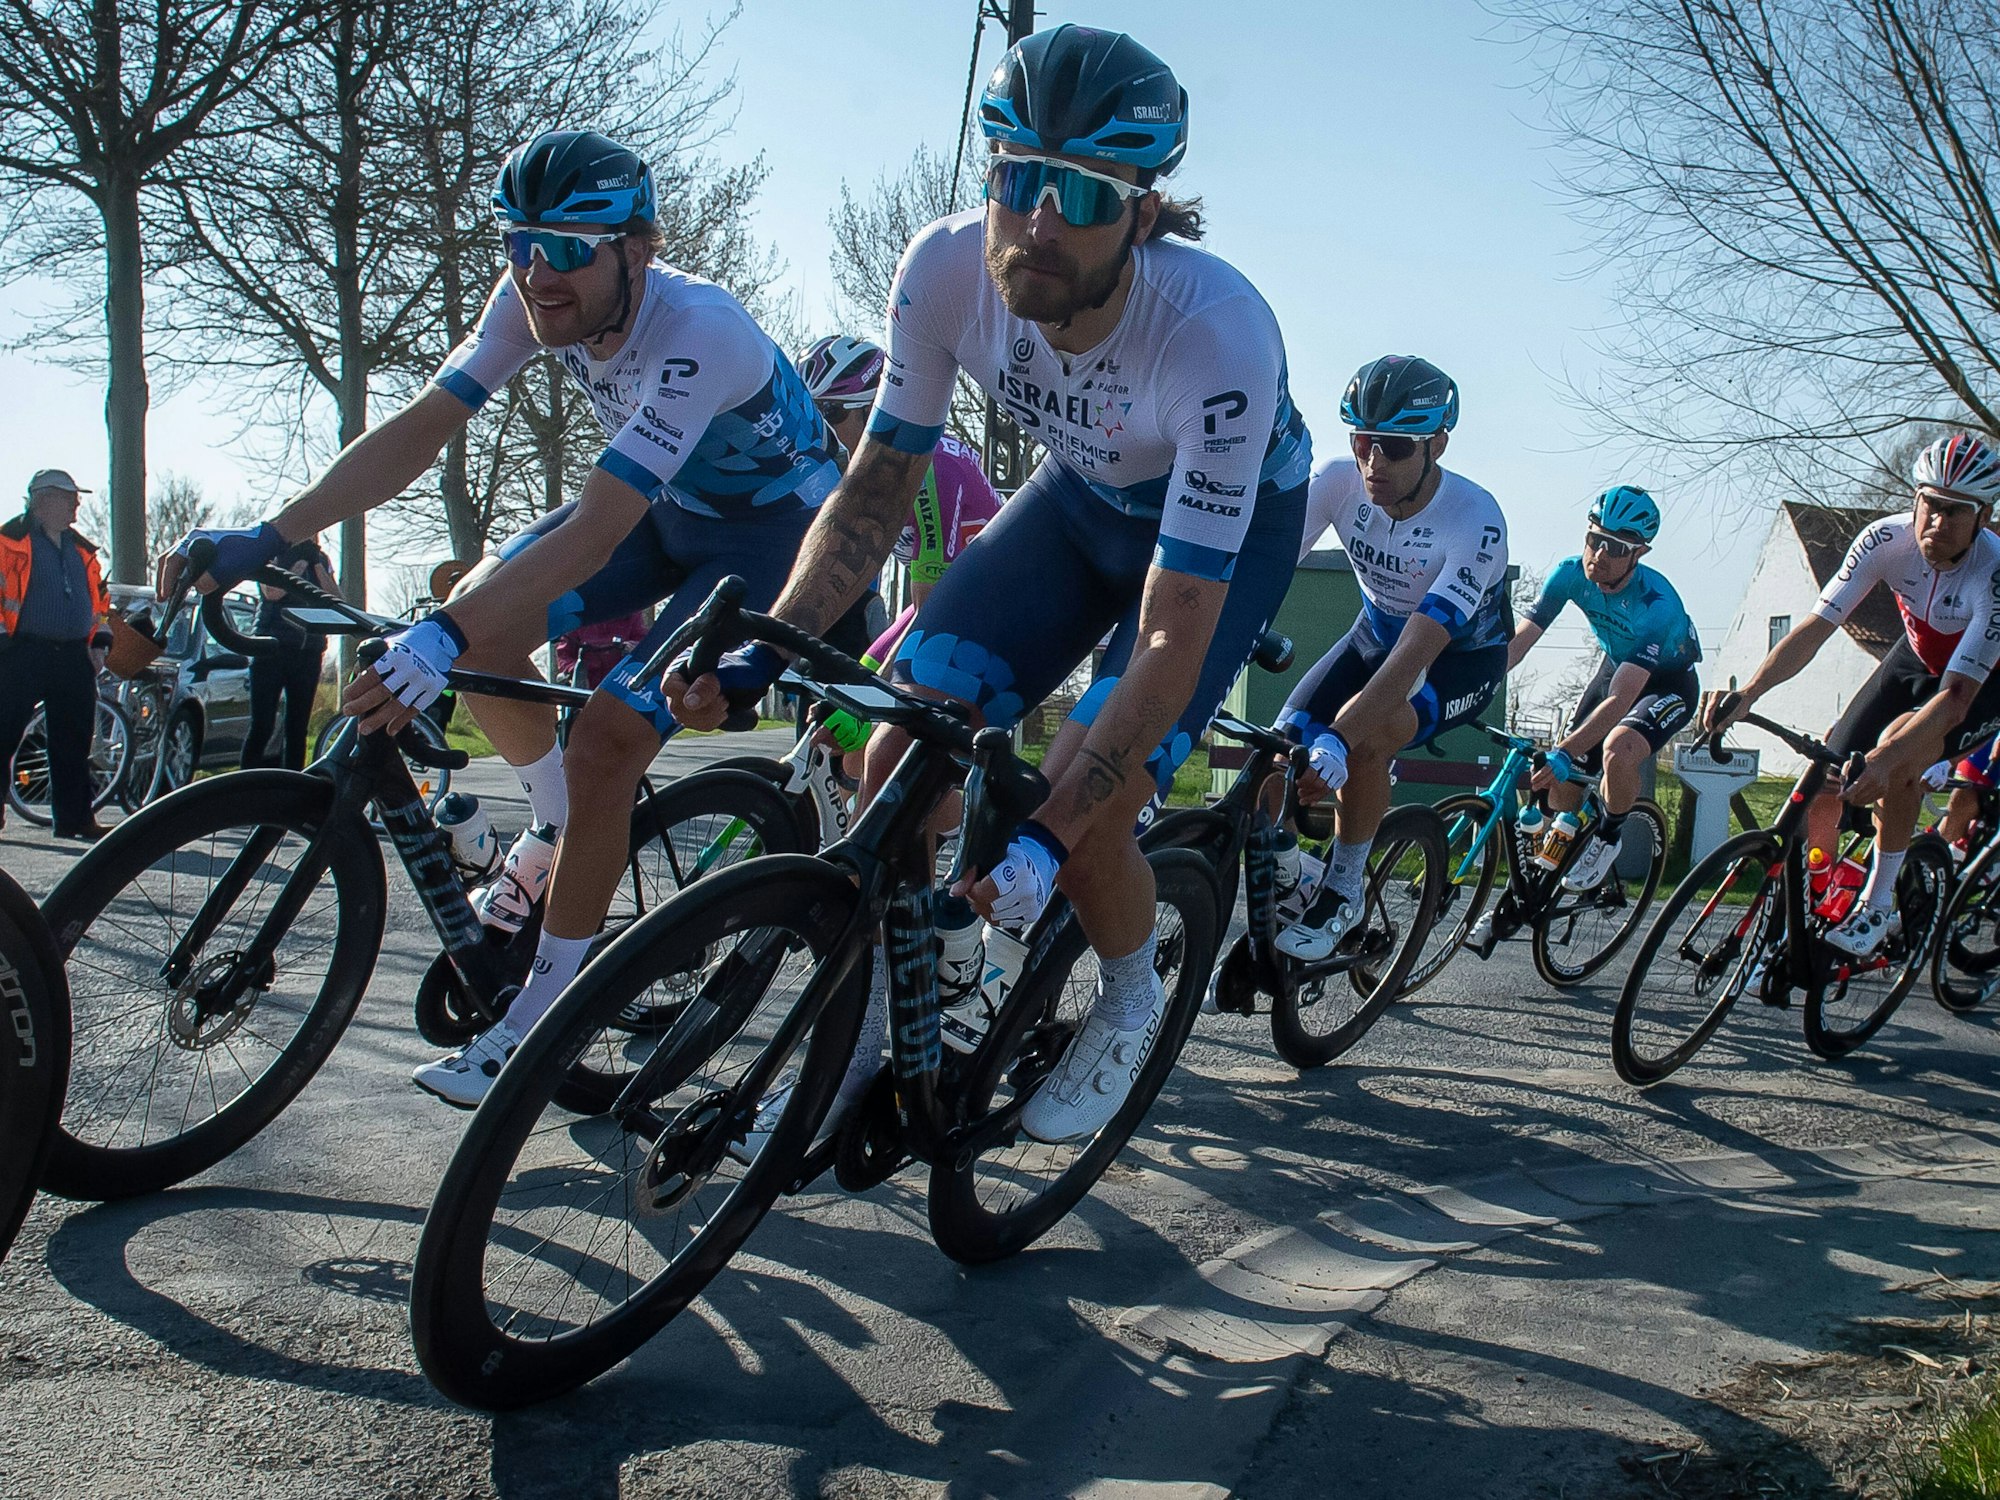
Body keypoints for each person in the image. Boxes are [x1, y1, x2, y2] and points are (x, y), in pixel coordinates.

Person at [670, 24, 1312, 1145]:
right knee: (891, 753)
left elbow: (1168, 635)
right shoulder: (940, 269)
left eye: (1083, 193)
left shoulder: (1216, 336)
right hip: (1075, 503)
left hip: (1213, 537)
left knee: (1091, 791)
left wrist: (1052, 838)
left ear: (1143, 217)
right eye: (1020, 181)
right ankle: (916, 989)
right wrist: (766, 646)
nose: (1042, 223)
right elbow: (870, 500)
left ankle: (1125, 997)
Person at [158, 128, 841, 1107]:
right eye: (518, 243)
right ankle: (554, 818)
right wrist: (272, 532)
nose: (537, 273)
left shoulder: (704, 329)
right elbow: (416, 435)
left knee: (606, 731)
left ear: (635, 249)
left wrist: (440, 639)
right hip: (668, 515)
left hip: (767, 542)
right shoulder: (531, 298)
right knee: (474, 611)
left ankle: (542, 1021)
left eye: (567, 248)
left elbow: (600, 526)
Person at [1705, 432, 2000, 957]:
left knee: (1895, 751)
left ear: (1983, 516)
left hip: (1977, 685)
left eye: (1955, 512)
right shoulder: (1885, 540)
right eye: (1930, 504)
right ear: (1915, 498)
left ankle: (1878, 907)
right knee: (1824, 772)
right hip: (1911, 658)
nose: (1936, 522)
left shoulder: (1993, 574)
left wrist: (1885, 762)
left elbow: (1954, 698)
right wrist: (1748, 692)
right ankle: (1818, 889)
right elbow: (1816, 628)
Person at [1270, 356, 1511, 962]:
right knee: (1274, 759)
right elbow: (1262, 568)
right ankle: (1297, 875)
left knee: (1367, 738)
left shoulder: (1476, 521)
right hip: (1373, 634)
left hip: (1457, 659)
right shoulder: (1336, 482)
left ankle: (1345, 888)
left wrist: (1340, 740)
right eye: (1362, 441)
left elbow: (1413, 659)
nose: (1374, 462)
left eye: (1396, 447)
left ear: (1438, 443)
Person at [1503, 486, 1700, 896]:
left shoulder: (1657, 605)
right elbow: (1519, 643)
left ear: (1639, 553)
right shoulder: (1570, 574)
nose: (1599, 555)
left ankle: (1609, 837)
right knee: (1562, 788)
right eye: (1594, 539)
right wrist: (1470, 680)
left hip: (1667, 683)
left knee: (1617, 748)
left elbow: (1622, 699)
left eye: (1614, 547)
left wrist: (1566, 750)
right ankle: (1541, 882)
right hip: (1617, 665)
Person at [796, 334, 1002, 614]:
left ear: (873, 411)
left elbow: (931, 611)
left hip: (1001, 604)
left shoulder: (932, 466)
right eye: (808, 412)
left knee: (896, 658)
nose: (817, 427)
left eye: (829, 412)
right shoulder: (851, 477)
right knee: (866, 659)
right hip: (959, 599)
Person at [0, 469, 113, 841]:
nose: (77, 504)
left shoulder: (82, 549)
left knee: (74, 740)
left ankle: (75, 820)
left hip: (71, 655)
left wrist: (99, 642)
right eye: (69, 498)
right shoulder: (8, 541)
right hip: (22, 651)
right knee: (3, 734)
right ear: (42, 500)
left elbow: (100, 601)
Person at [241, 535, 339, 770]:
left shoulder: (321, 561)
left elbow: (335, 599)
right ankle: (245, 784)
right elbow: (272, 592)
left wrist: (316, 563)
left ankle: (292, 783)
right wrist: (299, 565)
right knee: (262, 724)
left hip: (308, 652)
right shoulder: (272, 556)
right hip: (271, 649)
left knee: (297, 727)